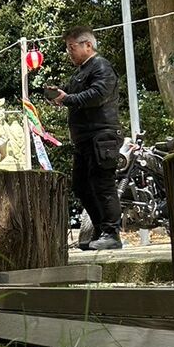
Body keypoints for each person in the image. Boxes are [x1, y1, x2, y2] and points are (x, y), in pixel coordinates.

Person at [51, 26, 124, 250]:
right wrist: (59, 95)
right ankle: (100, 230)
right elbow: (74, 95)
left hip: (102, 135)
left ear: (88, 45)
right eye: (68, 48)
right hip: (84, 138)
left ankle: (112, 233)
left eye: (72, 47)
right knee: (81, 186)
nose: (69, 53)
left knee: (103, 184)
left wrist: (67, 98)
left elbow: (98, 95)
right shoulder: (80, 72)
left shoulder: (101, 66)